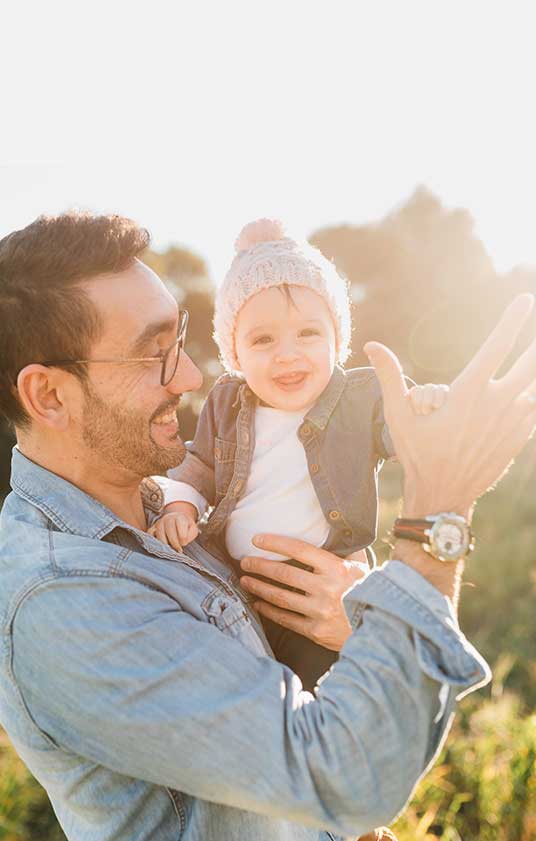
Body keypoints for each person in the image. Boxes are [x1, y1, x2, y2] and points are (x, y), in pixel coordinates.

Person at [0, 211, 536, 841]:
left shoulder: (156, 502)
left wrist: (359, 626)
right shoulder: (62, 598)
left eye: (178, 339)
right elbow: (339, 777)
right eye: (154, 353)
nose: (188, 376)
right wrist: (439, 512)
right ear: (48, 396)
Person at [149, 217, 448, 693]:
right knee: (243, 690)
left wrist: (426, 410)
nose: (287, 355)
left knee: (320, 692)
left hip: (320, 590)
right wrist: (180, 504)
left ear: (336, 338)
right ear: (236, 354)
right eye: (263, 339)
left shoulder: (360, 398)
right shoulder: (228, 402)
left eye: (308, 333)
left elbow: (408, 435)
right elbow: (201, 463)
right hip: (237, 589)